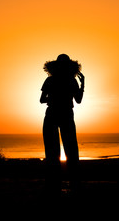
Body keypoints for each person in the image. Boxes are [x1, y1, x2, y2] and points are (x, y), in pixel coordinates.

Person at [40, 54, 85, 196]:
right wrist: (82, 85)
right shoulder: (71, 80)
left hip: (53, 114)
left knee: (54, 151)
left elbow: (42, 100)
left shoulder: (50, 80)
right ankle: (72, 184)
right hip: (64, 114)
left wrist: (52, 98)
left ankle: (56, 186)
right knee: (70, 149)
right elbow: (78, 100)